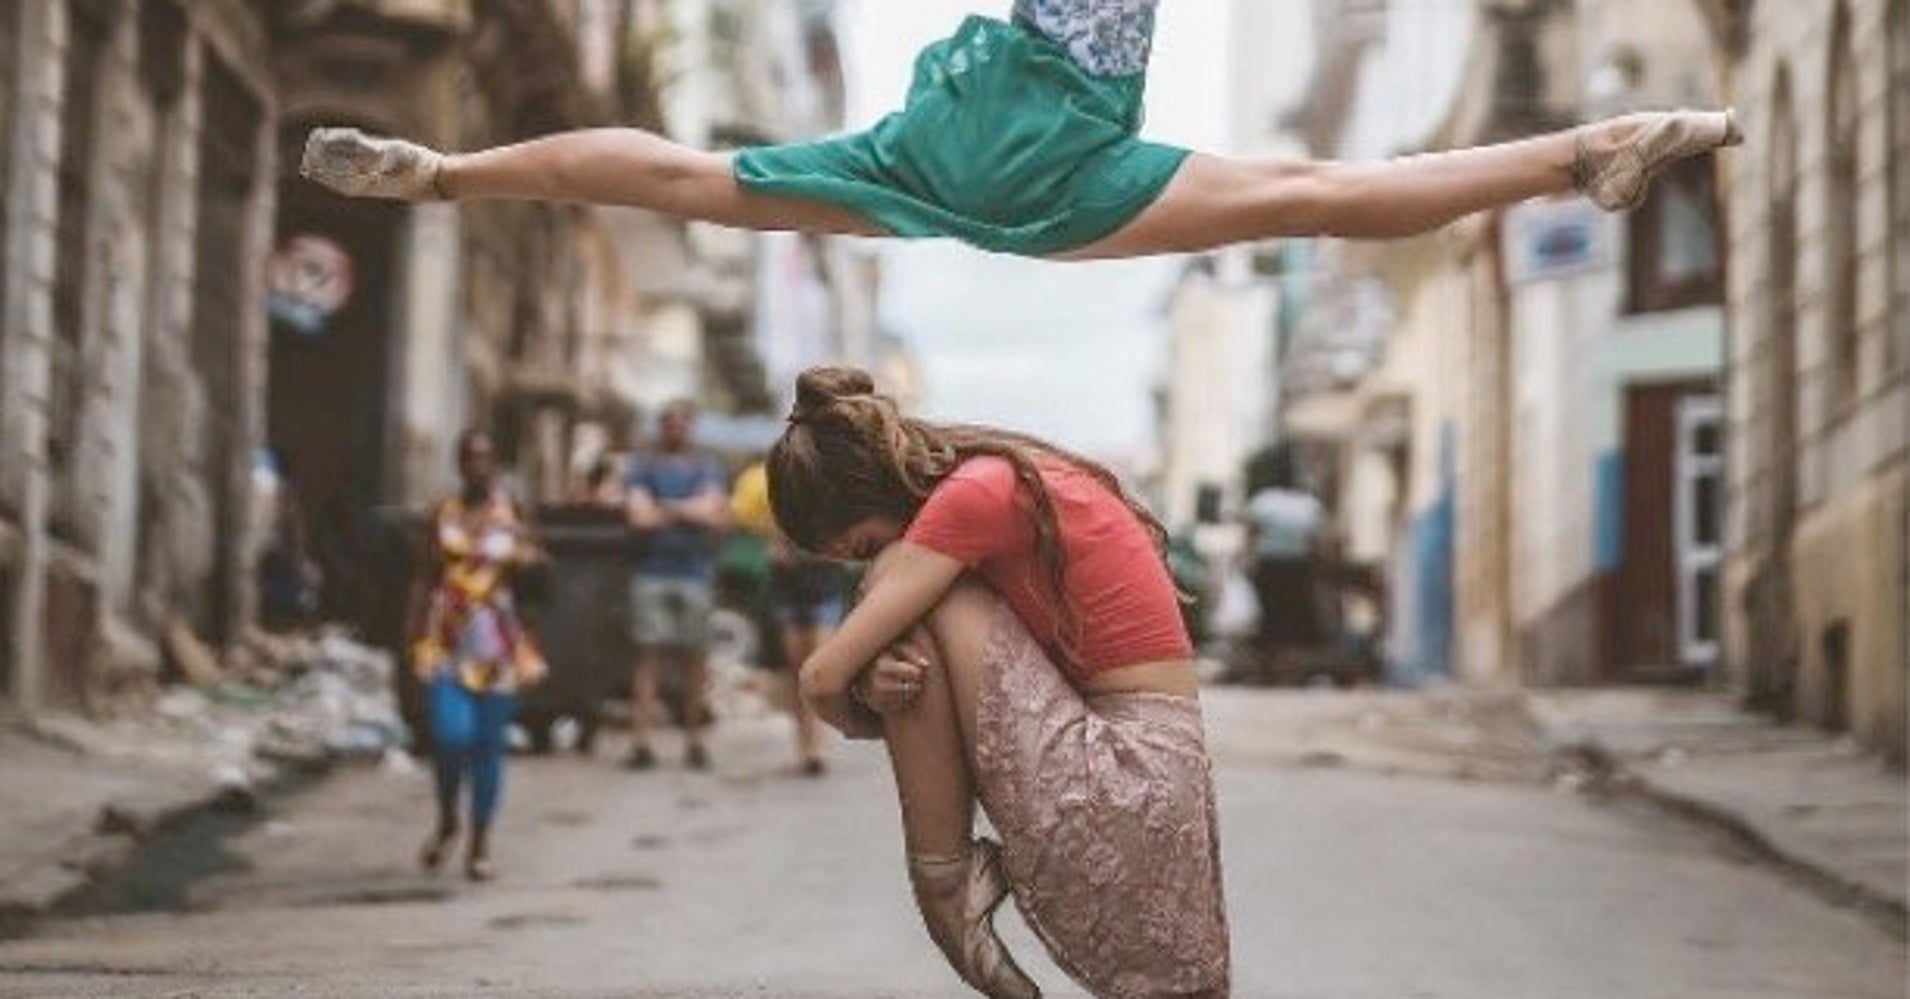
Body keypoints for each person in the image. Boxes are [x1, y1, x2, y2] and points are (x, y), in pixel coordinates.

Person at [298, 1, 1737, 262]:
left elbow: (656, 170)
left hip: (983, 181)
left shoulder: (884, 194)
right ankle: (1579, 148)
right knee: (1312, 186)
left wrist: (452, 173)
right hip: (1044, 156)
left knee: (678, 181)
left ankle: (439, 178)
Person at [766, 366, 1226, 998]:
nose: (868, 559)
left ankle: (945, 880)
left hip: (1125, 774)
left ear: (867, 492)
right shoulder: (1000, 476)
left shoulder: (972, 498)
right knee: (900, 611)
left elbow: (820, 678)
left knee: (901, 601)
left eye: (860, 544)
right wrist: (873, 683)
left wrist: (858, 704)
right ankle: (949, 882)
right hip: (1155, 781)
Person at [409, 429, 547, 881]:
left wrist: (529, 561)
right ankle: (449, 818)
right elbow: (423, 574)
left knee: (489, 748)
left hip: (497, 645)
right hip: (448, 642)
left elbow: (541, 574)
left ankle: (480, 841)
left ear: (496, 465)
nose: (477, 465)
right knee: (450, 739)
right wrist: (411, 637)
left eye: (485, 457)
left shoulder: (512, 513)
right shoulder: (442, 514)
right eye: (469, 457)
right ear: (459, 463)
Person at [622, 400, 730, 771]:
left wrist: (664, 509)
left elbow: (714, 514)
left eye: (681, 423)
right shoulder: (643, 466)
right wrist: (689, 509)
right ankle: (641, 741)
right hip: (652, 571)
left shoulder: (707, 467)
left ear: (691, 427)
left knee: (695, 661)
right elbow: (638, 517)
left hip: (694, 572)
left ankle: (695, 741)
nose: (675, 430)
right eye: (669, 423)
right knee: (646, 658)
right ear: (661, 427)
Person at [1238, 446, 1329, 682]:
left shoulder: (1264, 502)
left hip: (1270, 566)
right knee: (1295, 619)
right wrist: (1320, 568)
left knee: (1271, 618)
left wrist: (1246, 563)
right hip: (1298, 567)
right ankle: (1291, 672)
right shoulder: (1309, 505)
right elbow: (1317, 542)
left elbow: (1251, 535)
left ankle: (1272, 671)